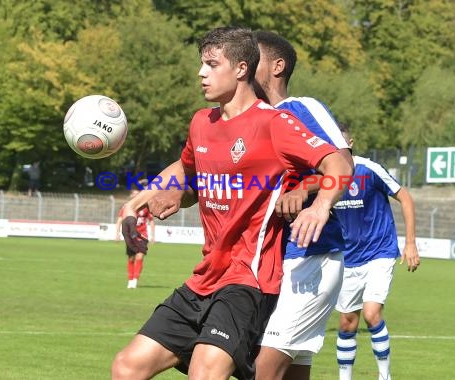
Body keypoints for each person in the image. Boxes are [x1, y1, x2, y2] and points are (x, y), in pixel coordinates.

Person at [110, 26, 354, 380]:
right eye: (202, 64)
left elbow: (338, 164)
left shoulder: (276, 122)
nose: (201, 73)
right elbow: (194, 180)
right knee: (127, 366)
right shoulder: (201, 123)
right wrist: (170, 195)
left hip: (249, 280)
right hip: (203, 278)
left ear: (241, 69)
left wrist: (320, 204)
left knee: (205, 372)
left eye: (211, 64)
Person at [251, 31, 351, 380]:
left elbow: (342, 162)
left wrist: (310, 194)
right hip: (275, 263)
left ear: (277, 66)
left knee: (262, 369)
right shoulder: (254, 121)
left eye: (254, 57)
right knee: (293, 372)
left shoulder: (300, 108)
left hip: (311, 255)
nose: (244, 64)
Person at [333, 124, 420, 380]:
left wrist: (411, 242)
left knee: (371, 314)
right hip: (348, 258)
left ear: (351, 142)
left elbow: (405, 197)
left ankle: (385, 376)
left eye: (341, 141)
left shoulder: (368, 169)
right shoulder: (326, 176)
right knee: (347, 322)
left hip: (379, 252)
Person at [115, 186, 155, 289]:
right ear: (131, 196)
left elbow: (151, 221)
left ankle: (135, 280)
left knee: (140, 256)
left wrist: (152, 236)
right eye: (133, 194)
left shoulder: (145, 207)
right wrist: (117, 233)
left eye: (137, 194)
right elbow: (120, 220)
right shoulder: (126, 207)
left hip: (142, 235)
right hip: (130, 236)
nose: (135, 195)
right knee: (131, 258)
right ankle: (130, 279)